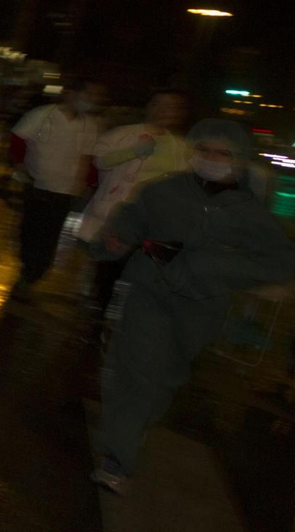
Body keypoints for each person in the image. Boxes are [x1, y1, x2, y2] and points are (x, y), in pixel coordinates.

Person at [89, 119, 295, 494]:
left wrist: (214, 267)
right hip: (150, 293)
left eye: (223, 153)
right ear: (193, 152)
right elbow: (132, 220)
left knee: (166, 376)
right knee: (136, 373)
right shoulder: (164, 191)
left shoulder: (249, 212)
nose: (212, 159)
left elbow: (280, 261)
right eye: (205, 150)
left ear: (239, 160)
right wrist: (116, 239)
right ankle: (118, 457)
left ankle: (136, 425)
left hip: (202, 306)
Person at [78, 89, 191, 317]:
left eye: (172, 108)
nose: (165, 111)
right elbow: (101, 161)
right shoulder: (122, 134)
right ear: (150, 107)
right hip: (119, 214)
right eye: (160, 105)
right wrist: (133, 152)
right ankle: (99, 312)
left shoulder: (181, 148)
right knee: (111, 268)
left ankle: (124, 316)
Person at [8, 79, 108, 297]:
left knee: (50, 233)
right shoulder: (42, 115)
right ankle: (28, 265)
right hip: (37, 183)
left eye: (96, 96)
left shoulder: (91, 125)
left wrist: (89, 184)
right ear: (72, 93)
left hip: (66, 189)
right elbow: (18, 139)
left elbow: (90, 157)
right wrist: (19, 165)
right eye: (89, 94)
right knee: (31, 229)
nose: (92, 101)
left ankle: (34, 273)